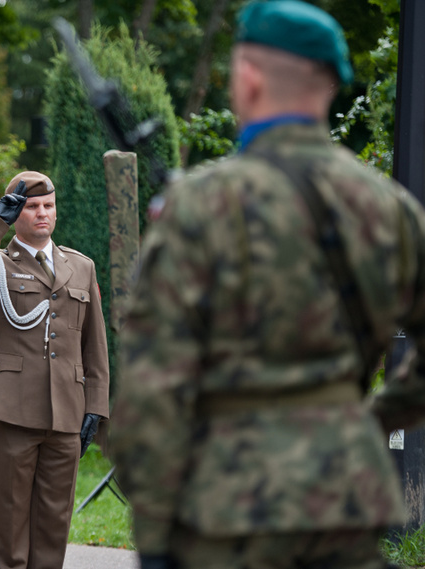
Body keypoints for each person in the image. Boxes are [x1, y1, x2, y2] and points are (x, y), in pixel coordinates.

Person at [109, 2, 425, 568]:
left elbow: (153, 386)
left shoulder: (201, 204)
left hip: (226, 508)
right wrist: (372, 417)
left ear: (250, 79)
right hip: (344, 503)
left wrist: (155, 535)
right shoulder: (391, 209)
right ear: (329, 85)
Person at [0, 171, 110, 568]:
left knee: (54, 525)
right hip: (12, 411)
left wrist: (96, 405)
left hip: (65, 413)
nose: (42, 213)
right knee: (11, 524)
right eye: (31, 206)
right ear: (16, 213)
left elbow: (94, 344)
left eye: (48, 205)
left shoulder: (80, 266)